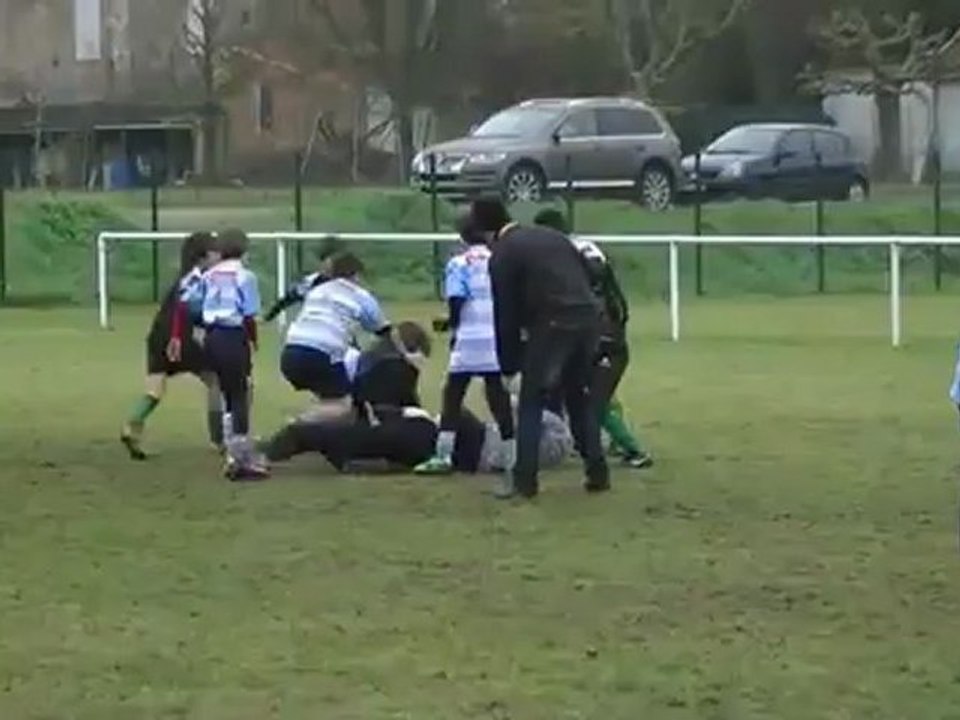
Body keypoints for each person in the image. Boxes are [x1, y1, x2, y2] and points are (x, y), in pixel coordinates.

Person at [472, 197, 609, 499]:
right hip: (586, 319)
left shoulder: (503, 254)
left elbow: (504, 315)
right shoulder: (551, 236)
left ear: (484, 232)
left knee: (532, 400)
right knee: (578, 396)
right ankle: (597, 471)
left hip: (552, 324)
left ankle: (525, 480)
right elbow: (589, 274)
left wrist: (508, 364)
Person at [533, 208, 654, 469]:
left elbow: (597, 274)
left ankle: (633, 450)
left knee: (592, 399)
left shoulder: (573, 251)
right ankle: (587, 442)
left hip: (599, 332)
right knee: (585, 391)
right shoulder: (580, 247)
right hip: (599, 328)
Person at [414, 214, 515, 477]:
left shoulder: (459, 263)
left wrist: (452, 324)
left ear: (463, 237)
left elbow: (457, 298)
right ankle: (511, 455)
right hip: (496, 336)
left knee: (453, 394)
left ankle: (443, 454)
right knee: (497, 396)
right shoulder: (500, 260)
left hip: (471, 337)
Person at [120, 231, 222, 460]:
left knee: (154, 392)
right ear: (204, 256)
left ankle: (131, 425)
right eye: (216, 251)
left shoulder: (182, 278)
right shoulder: (201, 277)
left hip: (157, 337)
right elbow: (190, 310)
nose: (220, 255)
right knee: (216, 380)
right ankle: (219, 439)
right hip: (181, 337)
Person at [174, 228, 265, 480]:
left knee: (226, 391)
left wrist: (201, 326)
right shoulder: (246, 277)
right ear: (243, 251)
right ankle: (240, 457)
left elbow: (187, 302)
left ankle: (229, 447)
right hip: (233, 336)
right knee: (240, 393)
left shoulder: (208, 275)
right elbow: (249, 314)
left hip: (212, 338)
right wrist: (253, 340)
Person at [279, 252, 401, 423]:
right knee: (344, 406)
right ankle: (298, 426)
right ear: (356, 275)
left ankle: (316, 441)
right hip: (321, 354)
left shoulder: (317, 290)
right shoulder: (360, 295)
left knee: (328, 399)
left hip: (290, 353)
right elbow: (383, 330)